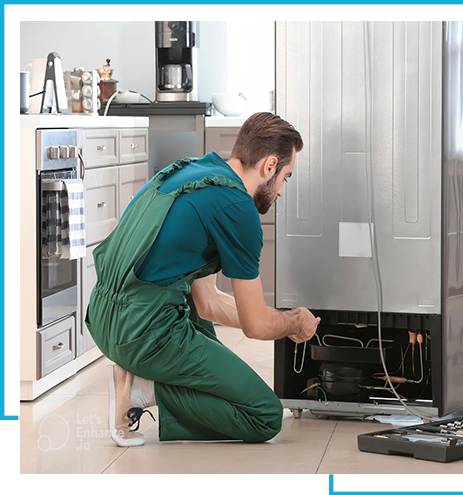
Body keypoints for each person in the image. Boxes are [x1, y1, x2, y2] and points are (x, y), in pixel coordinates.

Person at [85, 112, 320, 447]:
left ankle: (145, 378)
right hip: (143, 334)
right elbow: (256, 325)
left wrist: (276, 321)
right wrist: (294, 322)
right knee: (264, 416)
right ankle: (141, 390)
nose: (281, 191)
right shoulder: (238, 208)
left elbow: (208, 304)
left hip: (104, 319)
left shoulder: (192, 172)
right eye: (285, 177)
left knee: (200, 324)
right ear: (269, 166)